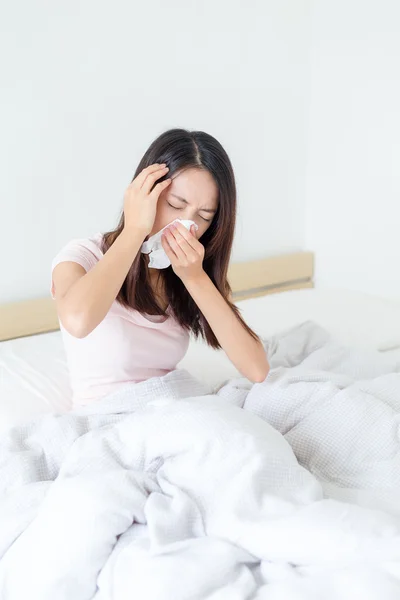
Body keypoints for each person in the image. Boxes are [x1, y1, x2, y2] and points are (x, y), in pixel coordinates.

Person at [51, 128, 269, 406]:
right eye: (175, 204)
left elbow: (257, 369)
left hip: (172, 408)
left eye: (203, 216)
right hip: (109, 419)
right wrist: (134, 230)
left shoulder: (188, 275)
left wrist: (195, 278)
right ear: (144, 194)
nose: (186, 227)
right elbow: (78, 322)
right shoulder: (83, 255)